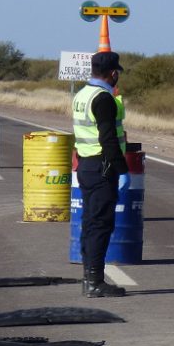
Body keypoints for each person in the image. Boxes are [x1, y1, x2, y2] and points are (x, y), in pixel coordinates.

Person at [72, 51, 129, 297]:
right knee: (100, 225)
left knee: (90, 223)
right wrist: (122, 170)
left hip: (86, 164)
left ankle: (89, 278)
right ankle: (94, 281)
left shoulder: (82, 94)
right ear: (113, 73)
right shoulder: (103, 98)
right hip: (102, 166)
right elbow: (108, 139)